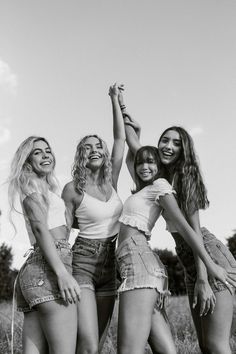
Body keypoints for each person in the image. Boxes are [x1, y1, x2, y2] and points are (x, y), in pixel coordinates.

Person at [119, 92, 236, 354]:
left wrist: (204, 277)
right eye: (164, 140)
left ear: (184, 150)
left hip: (207, 255)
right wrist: (126, 112)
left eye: (176, 143)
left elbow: (192, 228)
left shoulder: (183, 178)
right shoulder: (158, 174)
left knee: (217, 345)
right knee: (205, 345)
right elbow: (134, 147)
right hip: (189, 261)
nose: (168, 146)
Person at [61, 83, 125, 354]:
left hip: (112, 265)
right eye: (88, 148)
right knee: (87, 344)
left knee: (97, 344)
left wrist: (115, 100)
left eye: (99, 146)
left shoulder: (113, 180)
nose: (95, 150)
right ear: (81, 155)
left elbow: (120, 140)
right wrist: (61, 272)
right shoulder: (73, 189)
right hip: (83, 263)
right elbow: (63, 233)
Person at [8, 136, 81, 354]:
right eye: (38, 152)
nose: (46, 154)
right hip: (50, 266)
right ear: (27, 160)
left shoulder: (43, 189)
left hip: (32, 273)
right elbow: (40, 229)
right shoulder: (33, 188)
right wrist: (62, 273)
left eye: (47, 150)